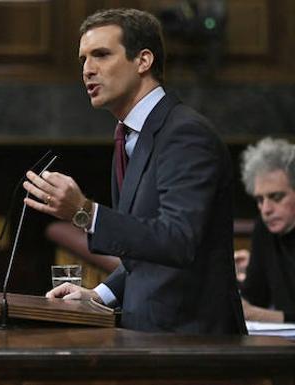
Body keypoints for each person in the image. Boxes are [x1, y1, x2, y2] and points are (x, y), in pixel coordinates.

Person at [23, 8, 245, 334]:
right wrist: (100, 294)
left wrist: (85, 212)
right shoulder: (130, 136)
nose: (87, 70)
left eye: (100, 55)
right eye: (83, 59)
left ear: (143, 61)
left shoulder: (185, 134)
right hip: (151, 340)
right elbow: (146, 247)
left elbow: (177, 240)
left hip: (192, 345)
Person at [237, 137, 295, 323]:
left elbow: (256, 311)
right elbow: (254, 296)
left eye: (276, 197)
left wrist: (267, 316)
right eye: (260, 200)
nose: (266, 209)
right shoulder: (264, 229)